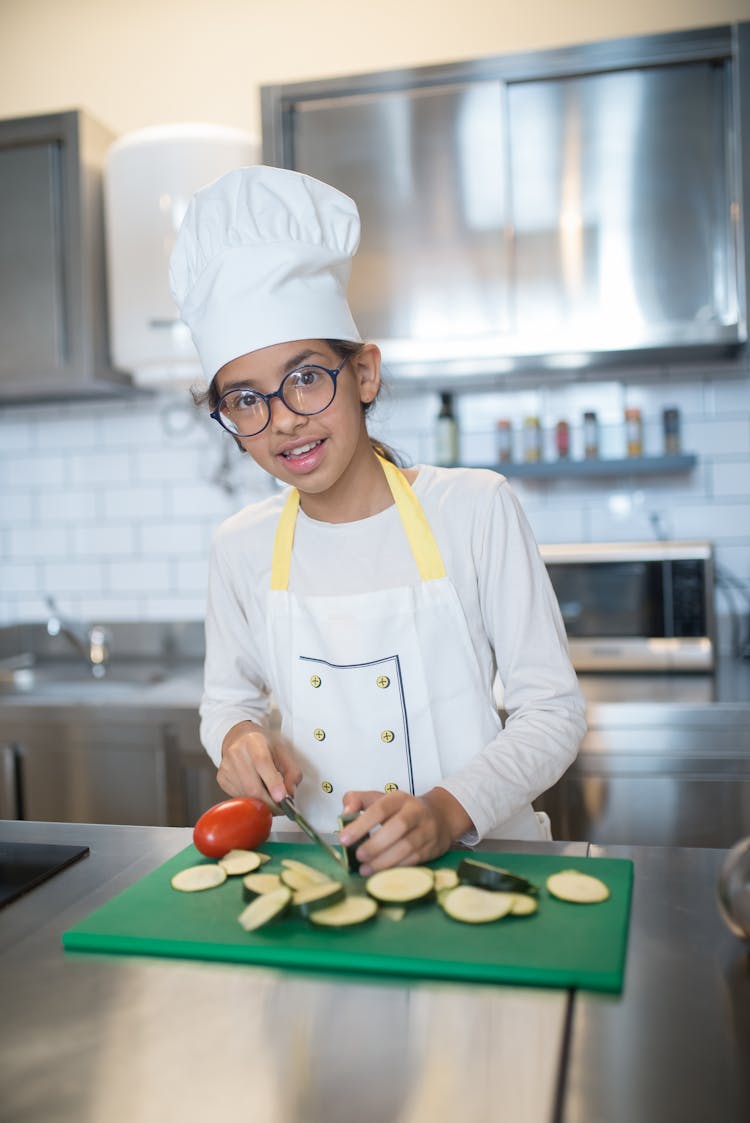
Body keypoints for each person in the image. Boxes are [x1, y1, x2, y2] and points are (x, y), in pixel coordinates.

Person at [169, 165, 586, 875]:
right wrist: (237, 738)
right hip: (324, 876)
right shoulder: (240, 548)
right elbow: (226, 704)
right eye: (245, 398)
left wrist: (446, 811)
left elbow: (552, 711)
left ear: (363, 373)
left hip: (486, 870)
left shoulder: (475, 507)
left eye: (306, 377)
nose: (283, 422)